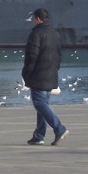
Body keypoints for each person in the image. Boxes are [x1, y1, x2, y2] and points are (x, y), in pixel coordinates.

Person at [21, 8, 68, 146]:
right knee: (43, 105)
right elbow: (59, 54)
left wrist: (26, 73)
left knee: (39, 103)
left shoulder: (36, 34)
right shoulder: (55, 33)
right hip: (51, 73)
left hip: (38, 74)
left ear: (38, 19)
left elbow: (32, 56)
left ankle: (59, 128)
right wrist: (55, 69)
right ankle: (39, 136)